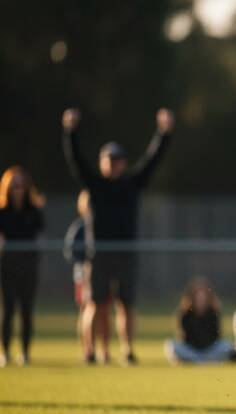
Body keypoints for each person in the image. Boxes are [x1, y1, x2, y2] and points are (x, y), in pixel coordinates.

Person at [62, 107, 174, 365]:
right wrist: (70, 133)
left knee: (126, 305)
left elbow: (152, 159)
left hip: (126, 253)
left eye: (117, 160)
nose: (113, 164)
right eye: (108, 160)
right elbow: (76, 161)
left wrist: (164, 133)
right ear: (102, 163)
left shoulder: (131, 185)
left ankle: (127, 350)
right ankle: (91, 352)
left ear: (123, 162)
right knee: (95, 304)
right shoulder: (96, 185)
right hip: (98, 254)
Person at [0, 166, 45, 367]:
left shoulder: (34, 211)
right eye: (14, 185)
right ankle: (5, 352)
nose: (18, 189)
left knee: (26, 310)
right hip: (7, 265)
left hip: (28, 266)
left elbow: (40, 235)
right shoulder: (2, 212)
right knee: (8, 309)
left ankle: (25, 352)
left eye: (21, 185)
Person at [164, 277, 234, 364]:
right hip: (192, 350)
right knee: (171, 345)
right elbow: (183, 337)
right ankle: (202, 360)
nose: (201, 297)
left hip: (210, 350)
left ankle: (199, 360)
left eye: (204, 294)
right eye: (198, 294)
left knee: (227, 345)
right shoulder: (185, 313)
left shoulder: (214, 312)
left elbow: (217, 335)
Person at [63, 190, 98, 363]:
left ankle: (96, 348)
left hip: (97, 274)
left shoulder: (100, 226)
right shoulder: (80, 227)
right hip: (83, 275)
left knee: (97, 310)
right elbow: (70, 251)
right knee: (85, 310)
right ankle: (87, 349)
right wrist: (84, 264)